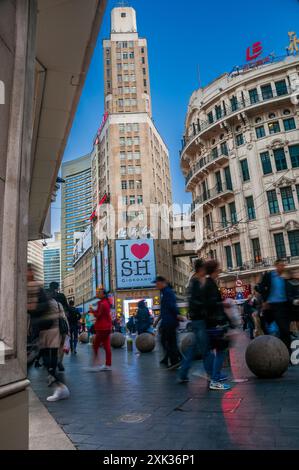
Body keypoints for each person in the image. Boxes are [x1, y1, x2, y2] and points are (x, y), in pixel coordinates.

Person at [28, 265, 70, 402]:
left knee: (45, 358)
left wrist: (31, 307)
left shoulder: (37, 289)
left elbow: (42, 308)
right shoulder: (57, 297)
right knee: (48, 357)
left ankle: (59, 387)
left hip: (46, 329)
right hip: (49, 329)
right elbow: (63, 314)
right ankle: (59, 385)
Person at [201, 260, 232, 391]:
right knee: (221, 350)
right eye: (218, 269)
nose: (219, 271)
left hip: (212, 323)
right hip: (215, 323)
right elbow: (211, 304)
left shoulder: (209, 283)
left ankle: (216, 375)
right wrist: (223, 304)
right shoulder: (210, 285)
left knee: (217, 350)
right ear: (214, 270)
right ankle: (215, 379)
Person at [178, 259, 208, 383]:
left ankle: (184, 372)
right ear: (201, 269)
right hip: (199, 319)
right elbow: (196, 301)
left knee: (194, 347)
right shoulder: (195, 282)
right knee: (205, 347)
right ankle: (208, 371)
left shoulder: (195, 281)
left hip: (198, 318)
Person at [258, 259, 296, 352]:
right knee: (271, 329)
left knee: (285, 330)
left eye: (283, 265)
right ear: (276, 265)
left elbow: (288, 294)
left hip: (282, 307)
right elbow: (261, 288)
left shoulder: (283, 280)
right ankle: (273, 349)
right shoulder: (269, 276)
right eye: (280, 265)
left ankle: (287, 352)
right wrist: (265, 301)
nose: (282, 267)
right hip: (271, 306)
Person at [155, 276, 181, 370]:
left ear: (163, 283)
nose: (156, 285)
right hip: (167, 321)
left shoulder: (167, 292)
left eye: (157, 283)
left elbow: (171, 306)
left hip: (170, 322)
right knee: (167, 341)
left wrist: (177, 315)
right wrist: (157, 321)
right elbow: (164, 309)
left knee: (168, 342)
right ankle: (174, 359)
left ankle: (175, 361)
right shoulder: (164, 292)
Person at [89, 288, 112, 372]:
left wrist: (92, 311)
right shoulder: (105, 303)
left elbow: (98, 315)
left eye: (99, 292)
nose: (97, 293)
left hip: (102, 328)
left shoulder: (102, 303)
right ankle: (108, 365)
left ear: (103, 294)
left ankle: (95, 364)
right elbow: (100, 313)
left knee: (95, 345)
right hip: (107, 327)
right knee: (106, 345)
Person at [49, 281, 69, 371]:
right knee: (61, 343)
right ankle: (59, 361)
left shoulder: (46, 296)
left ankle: (51, 362)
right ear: (57, 288)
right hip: (60, 322)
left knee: (51, 344)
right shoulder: (61, 296)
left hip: (49, 324)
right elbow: (66, 308)